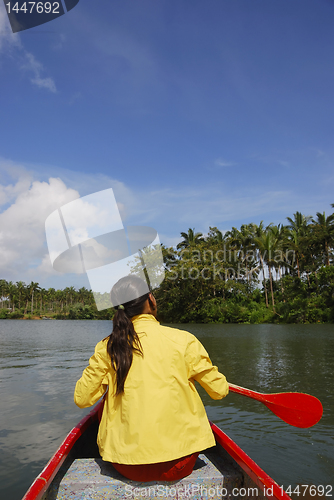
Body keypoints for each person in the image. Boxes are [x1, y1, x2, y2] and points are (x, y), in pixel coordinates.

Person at [74, 275, 229, 482]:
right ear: (151, 300)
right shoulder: (184, 340)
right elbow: (219, 391)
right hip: (180, 463)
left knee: (105, 402)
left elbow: (82, 399)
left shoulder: (108, 346)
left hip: (126, 465)